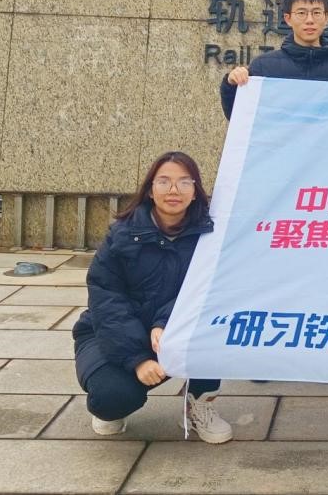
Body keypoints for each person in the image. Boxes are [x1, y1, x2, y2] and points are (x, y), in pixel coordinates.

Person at [72, 151, 233, 443]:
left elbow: (211, 290)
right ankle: (114, 407)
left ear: (196, 191)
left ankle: (200, 403)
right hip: (112, 332)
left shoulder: (211, 236)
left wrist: (164, 323)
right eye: (164, 181)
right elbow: (106, 299)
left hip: (175, 331)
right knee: (111, 397)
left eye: (185, 182)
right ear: (150, 189)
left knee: (216, 324)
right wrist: (137, 359)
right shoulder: (121, 236)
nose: (174, 190)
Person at [220, 0, 328, 119]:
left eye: (316, 13)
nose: (309, 20)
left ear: (326, 17)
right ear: (288, 18)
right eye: (301, 13)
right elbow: (237, 116)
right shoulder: (264, 67)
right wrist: (232, 84)